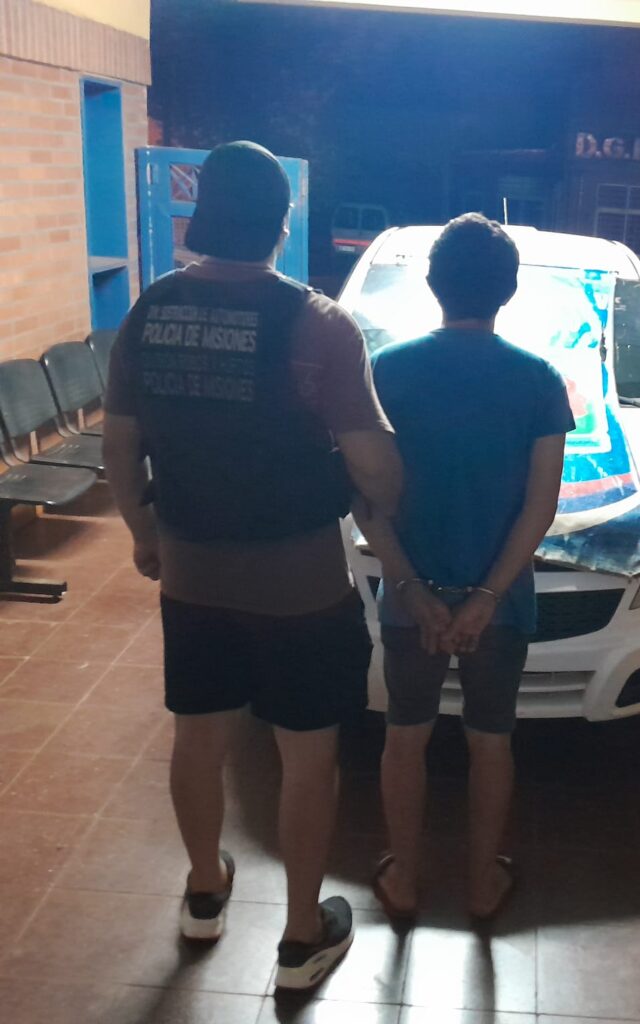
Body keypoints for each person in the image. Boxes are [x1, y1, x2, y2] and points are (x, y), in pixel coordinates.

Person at [103, 141, 402, 990]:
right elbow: (375, 467)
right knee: (307, 758)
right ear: (282, 222)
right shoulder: (321, 326)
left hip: (192, 576)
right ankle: (302, 938)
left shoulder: (150, 311)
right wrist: (387, 484)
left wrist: (144, 533)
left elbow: (119, 448)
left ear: (201, 216)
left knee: (198, 737)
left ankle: (204, 891)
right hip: (300, 587)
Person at [356, 213, 575, 921]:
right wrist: (484, 598)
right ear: (509, 290)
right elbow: (540, 506)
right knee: (491, 740)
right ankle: (482, 883)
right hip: (502, 606)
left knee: (405, 736)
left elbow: (367, 499)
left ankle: (404, 879)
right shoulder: (539, 379)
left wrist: (411, 589)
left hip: (408, 599)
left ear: (432, 283)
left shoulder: (386, 371)